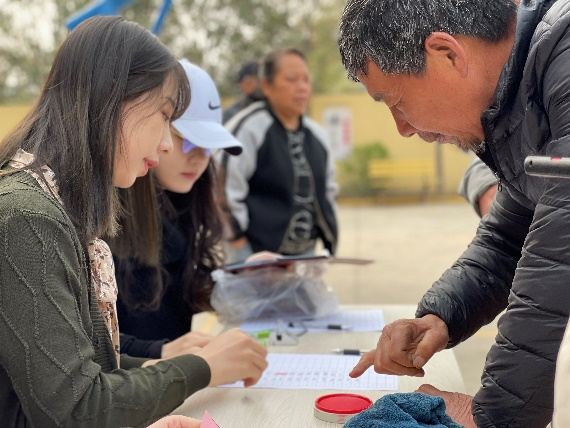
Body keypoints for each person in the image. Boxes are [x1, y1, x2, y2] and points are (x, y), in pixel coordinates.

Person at [0, 16, 266, 427]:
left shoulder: (49, 206)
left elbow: (76, 368)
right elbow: (77, 410)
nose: (167, 144)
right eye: (164, 115)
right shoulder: (28, 217)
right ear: (113, 99)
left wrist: (161, 366)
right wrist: (200, 367)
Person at [338, 0, 570, 427]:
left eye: (396, 101)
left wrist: (495, 416)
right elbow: (508, 239)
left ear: (447, 54)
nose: (402, 128)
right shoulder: (519, 101)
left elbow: (561, 249)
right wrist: (441, 317)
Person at [111, 59, 247, 359]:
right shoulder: (107, 218)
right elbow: (87, 342)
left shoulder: (186, 199)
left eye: (209, 146)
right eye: (187, 141)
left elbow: (182, 293)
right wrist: (160, 351)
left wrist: (248, 279)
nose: (199, 157)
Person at [220, 47, 339, 264]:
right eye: (292, 79)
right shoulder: (247, 129)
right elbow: (223, 190)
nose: (302, 87)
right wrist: (238, 244)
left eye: (306, 80)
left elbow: (328, 192)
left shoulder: (317, 136)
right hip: (255, 256)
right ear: (266, 85)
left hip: (306, 256)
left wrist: (328, 240)